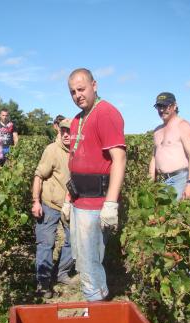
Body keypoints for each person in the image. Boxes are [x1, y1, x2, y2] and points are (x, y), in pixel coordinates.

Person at [61, 68, 126, 302]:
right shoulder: (77, 120)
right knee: (81, 259)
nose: (77, 95)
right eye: (72, 92)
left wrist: (110, 204)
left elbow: (119, 159)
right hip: (79, 201)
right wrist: (69, 200)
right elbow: (75, 164)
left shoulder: (106, 113)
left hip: (95, 204)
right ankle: (93, 302)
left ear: (94, 85)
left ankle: (97, 311)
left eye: (81, 89)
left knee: (90, 261)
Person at [32, 119, 75, 299]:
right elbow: (38, 176)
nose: (66, 134)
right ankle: (43, 282)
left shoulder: (79, 150)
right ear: (59, 131)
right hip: (49, 205)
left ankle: (62, 273)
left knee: (73, 240)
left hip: (70, 205)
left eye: (70, 131)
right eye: (63, 130)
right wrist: (36, 201)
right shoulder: (52, 150)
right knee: (46, 244)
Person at [149, 92, 190, 200]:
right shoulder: (157, 131)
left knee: (174, 215)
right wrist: (150, 183)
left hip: (180, 179)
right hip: (162, 182)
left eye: (166, 106)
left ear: (174, 106)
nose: (162, 110)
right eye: (159, 106)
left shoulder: (183, 126)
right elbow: (154, 157)